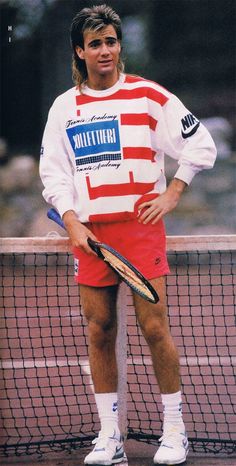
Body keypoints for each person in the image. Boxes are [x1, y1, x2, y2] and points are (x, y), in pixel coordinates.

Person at [39, 4, 217, 465]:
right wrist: (72, 220)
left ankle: (175, 433)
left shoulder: (149, 97)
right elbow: (54, 173)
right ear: (79, 51)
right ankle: (109, 438)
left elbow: (200, 144)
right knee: (99, 331)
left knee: (155, 328)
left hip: (141, 232)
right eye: (95, 43)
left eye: (111, 41)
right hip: (91, 235)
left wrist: (175, 192)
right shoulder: (64, 107)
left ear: (119, 46)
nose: (105, 51)